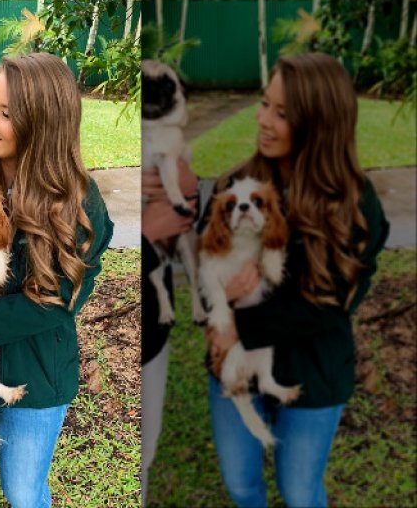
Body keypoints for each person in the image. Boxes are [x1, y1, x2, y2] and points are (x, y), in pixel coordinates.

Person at [0, 52, 114, 507]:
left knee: (25, 493)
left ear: (43, 123)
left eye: (6, 113)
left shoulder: (81, 207)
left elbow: (56, 300)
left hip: (38, 368)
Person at [204, 52, 389, 507]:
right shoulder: (236, 186)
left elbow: (327, 307)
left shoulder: (356, 207)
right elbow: (209, 274)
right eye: (265, 104)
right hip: (235, 369)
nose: (263, 120)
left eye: (282, 113)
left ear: (319, 123)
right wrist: (219, 303)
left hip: (314, 371)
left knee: (301, 493)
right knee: (242, 485)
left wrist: (235, 324)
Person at [139, 160, 198, 507]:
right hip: (140, 331)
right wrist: (147, 233)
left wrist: (187, 189)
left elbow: (188, 212)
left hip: (154, 334)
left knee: (145, 453)